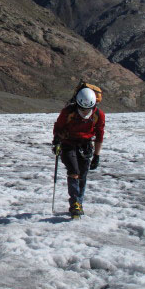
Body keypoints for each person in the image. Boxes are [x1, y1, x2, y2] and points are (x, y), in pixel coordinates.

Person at [52, 87, 105, 217]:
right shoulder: (68, 112)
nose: (85, 111)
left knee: (82, 175)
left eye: (88, 109)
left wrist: (96, 156)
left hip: (85, 146)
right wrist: (57, 142)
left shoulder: (99, 115)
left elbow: (99, 135)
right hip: (68, 144)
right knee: (74, 172)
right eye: (82, 109)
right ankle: (75, 203)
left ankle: (79, 203)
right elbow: (58, 128)